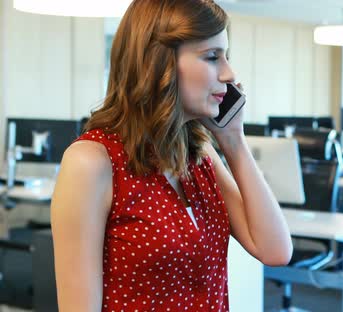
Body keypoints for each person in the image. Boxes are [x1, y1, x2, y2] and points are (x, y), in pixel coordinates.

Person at [50, 0, 293, 310]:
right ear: (158, 62)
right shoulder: (92, 162)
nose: (229, 73)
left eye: (226, 56)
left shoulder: (199, 156)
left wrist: (233, 140)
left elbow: (275, 250)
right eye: (212, 57)